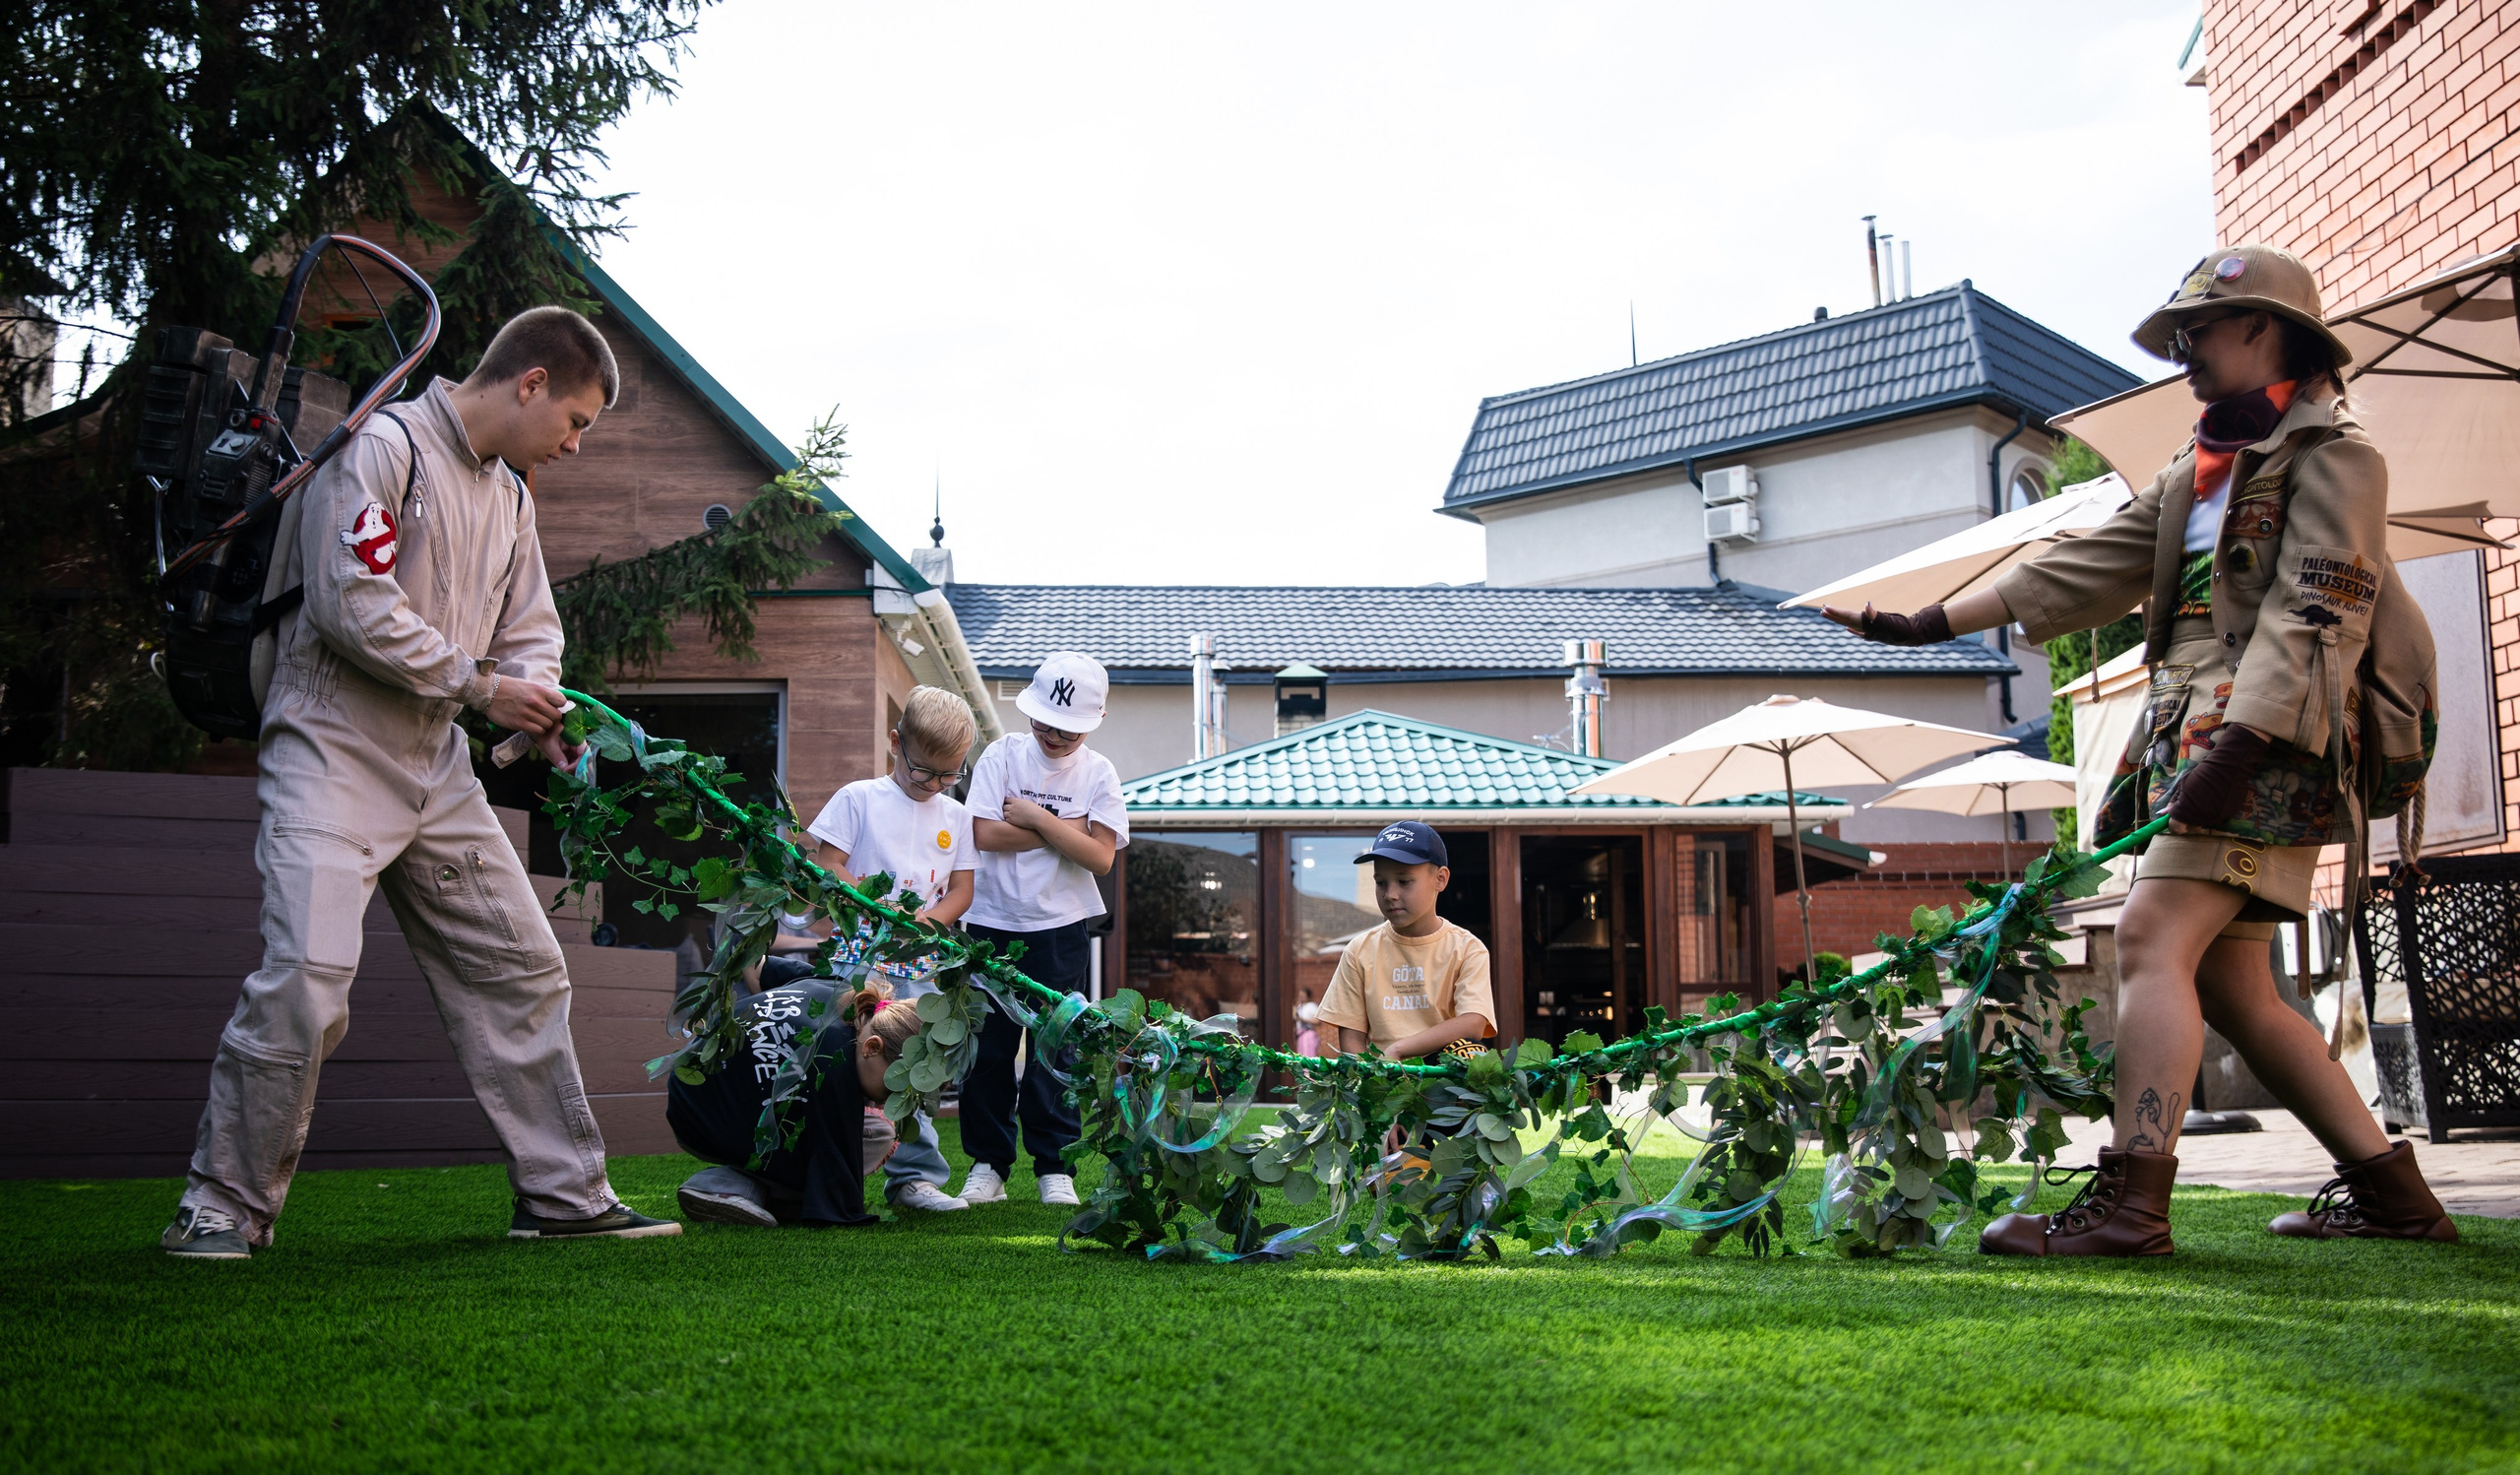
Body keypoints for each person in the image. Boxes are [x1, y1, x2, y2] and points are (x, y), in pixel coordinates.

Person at [1824, 244, 2455, 1255]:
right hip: (2197, 727)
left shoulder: (2336, 457)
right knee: (2234, 986)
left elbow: (2315, 611)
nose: (2182, 351)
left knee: (2151, 939)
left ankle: (2132, 1204)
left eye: (2197, 331)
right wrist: (1929, 623)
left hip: (2265, 733)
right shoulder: (2196, 467)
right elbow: (2086, 563)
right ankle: (2396, 1195)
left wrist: (2242, 745)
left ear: (2265, 330)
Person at [163, 307, 680, 1259]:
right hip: (330, 742)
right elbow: (351, 603)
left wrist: (542, 708)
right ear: (529, 383)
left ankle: (564, 1197)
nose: (574, 444)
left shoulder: (513, 498)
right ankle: (222, 1207)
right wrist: (484, 688)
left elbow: (531, 627)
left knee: (523, 967)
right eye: (575, 421)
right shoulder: (384, 447)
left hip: (434, 760)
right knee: (307, 981)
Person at [956, 653, 1128, 1208]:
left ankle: (1055, 1166)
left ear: (1092, 723)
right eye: (1043, 721)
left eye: (1067, 728)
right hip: (989, 921)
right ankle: (989, 1164)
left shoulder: (1098, 773)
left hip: (1061, 928)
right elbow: (983, 833)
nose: (1052, 734)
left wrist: (1033, 817)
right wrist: (1066, 830)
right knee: (988, 1050)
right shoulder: (1001, 755)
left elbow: (1101, 858)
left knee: (1057, 1050)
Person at [799, 684, 979, 1213]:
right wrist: (874, 907)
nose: (936, 784)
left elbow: (961, 892)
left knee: (917, 1065)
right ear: (895, 742)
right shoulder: (859, 798)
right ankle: (825, 1163)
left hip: (920, 964)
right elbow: (825, 867)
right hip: (857, 960)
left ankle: (914, 1179)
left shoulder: (957, 816)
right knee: (839, 1059)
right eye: (925, 770)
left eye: (951, 774)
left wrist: (929, 921)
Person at [668, 984, 914, 1228]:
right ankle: (728, 1185)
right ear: (871, 1047)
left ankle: (736, 1189)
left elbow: (766, 970)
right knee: (872, 1137)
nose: (888, 1100)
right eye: (893, 1086)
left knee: (877, 1130)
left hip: (693, 1090)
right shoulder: (833, 1069)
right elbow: (832, 1166)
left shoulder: (839, 993)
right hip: (703, 1116)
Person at [1319, 823, 1498, 1060]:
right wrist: (1370, 1079)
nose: (1390, 894)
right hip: (1383, 1087)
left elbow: (1473, 1023)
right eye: (1381, 882)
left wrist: (1397, 1050)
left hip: (1447, 1086)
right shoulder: (1359, 950)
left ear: (1441, 879)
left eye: (1404, 881)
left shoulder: (1467, 949)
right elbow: (1352, 1038)